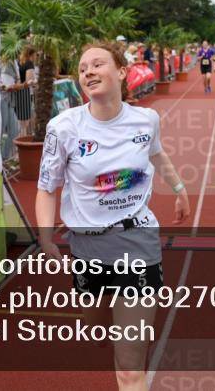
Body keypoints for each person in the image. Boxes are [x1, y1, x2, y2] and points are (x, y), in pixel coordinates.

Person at [36, 42, 189, 391]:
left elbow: (157, 154)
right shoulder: (64, 128)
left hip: (137, 242)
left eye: (97, 64)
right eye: (82, 68)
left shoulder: (146, 120)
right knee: (97, 331)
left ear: (121, 72)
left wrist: (179, 188)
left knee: (130, 367)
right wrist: (45, 238)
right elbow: (46, 187)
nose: (88, 71)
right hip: (87, 248)